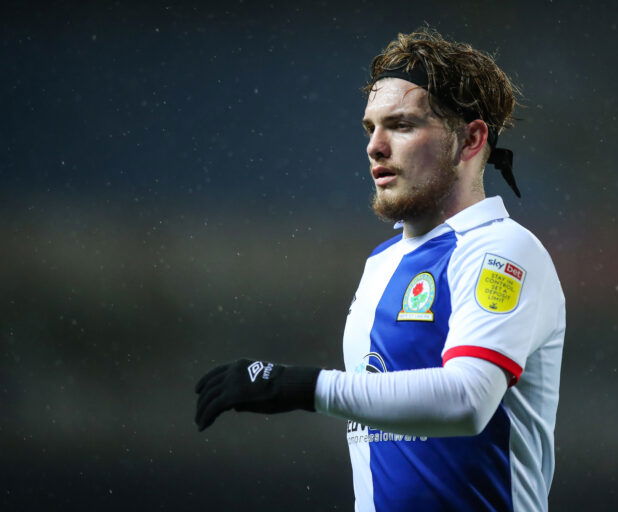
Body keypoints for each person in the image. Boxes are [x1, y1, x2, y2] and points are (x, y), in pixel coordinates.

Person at [195, 28, 566, 512]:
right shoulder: (382, 263)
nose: (375, 146)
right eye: (370, 128)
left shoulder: (503, 249)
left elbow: (469, 399)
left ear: (471, 139)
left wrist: (301, 385)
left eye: (402, 125)